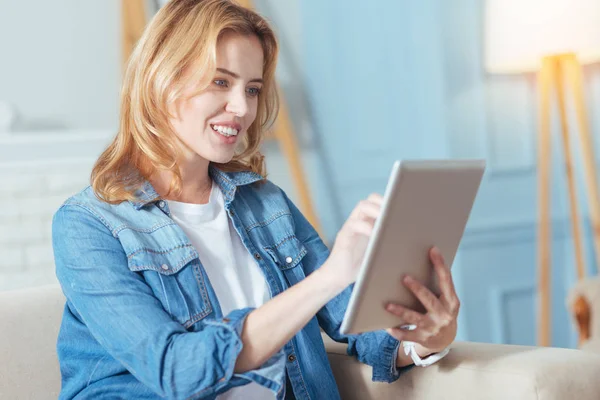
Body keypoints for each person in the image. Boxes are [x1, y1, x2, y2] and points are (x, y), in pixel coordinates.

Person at [51, 0, 460, 399]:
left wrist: (424, 341)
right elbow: (178, 371)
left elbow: (360, 329)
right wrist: (330, 275)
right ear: (163, 79)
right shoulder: (87, 225)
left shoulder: (266, 203)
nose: (241, 107)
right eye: (220, 82)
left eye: (252, 88)